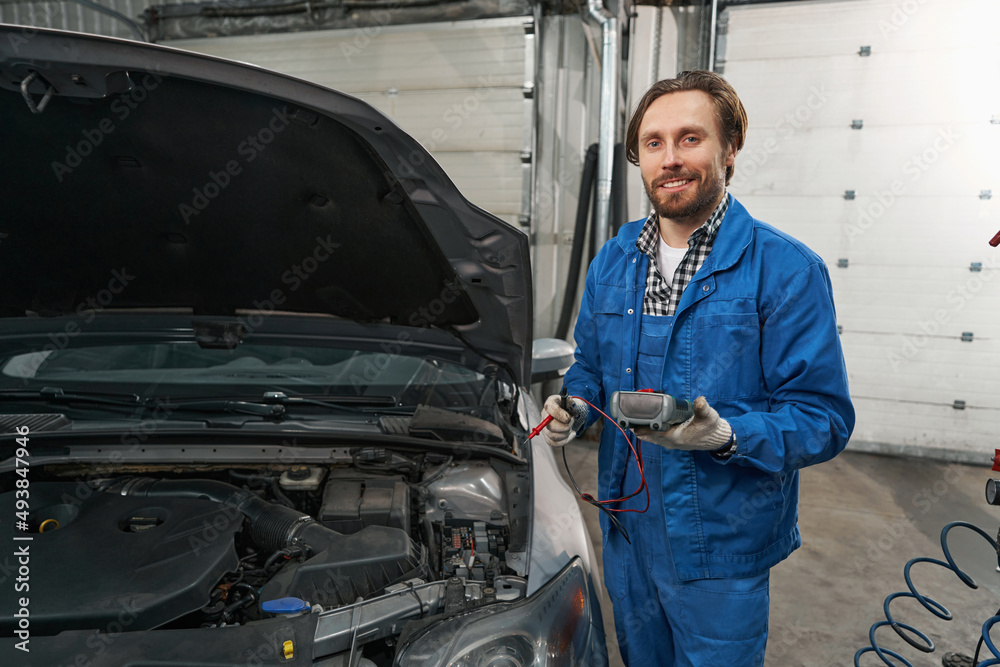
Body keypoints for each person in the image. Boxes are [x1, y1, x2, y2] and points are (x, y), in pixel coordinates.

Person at [541, 71, 855, 666]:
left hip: (721, 547)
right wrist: (577, 407)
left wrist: (730, 435)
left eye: (690, 138)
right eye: (654, 143)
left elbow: (824, 417)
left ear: (729, 149)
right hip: (627, 531)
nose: (670, 159)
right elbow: (590, 367)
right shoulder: (613, 259)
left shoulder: (785, 270)